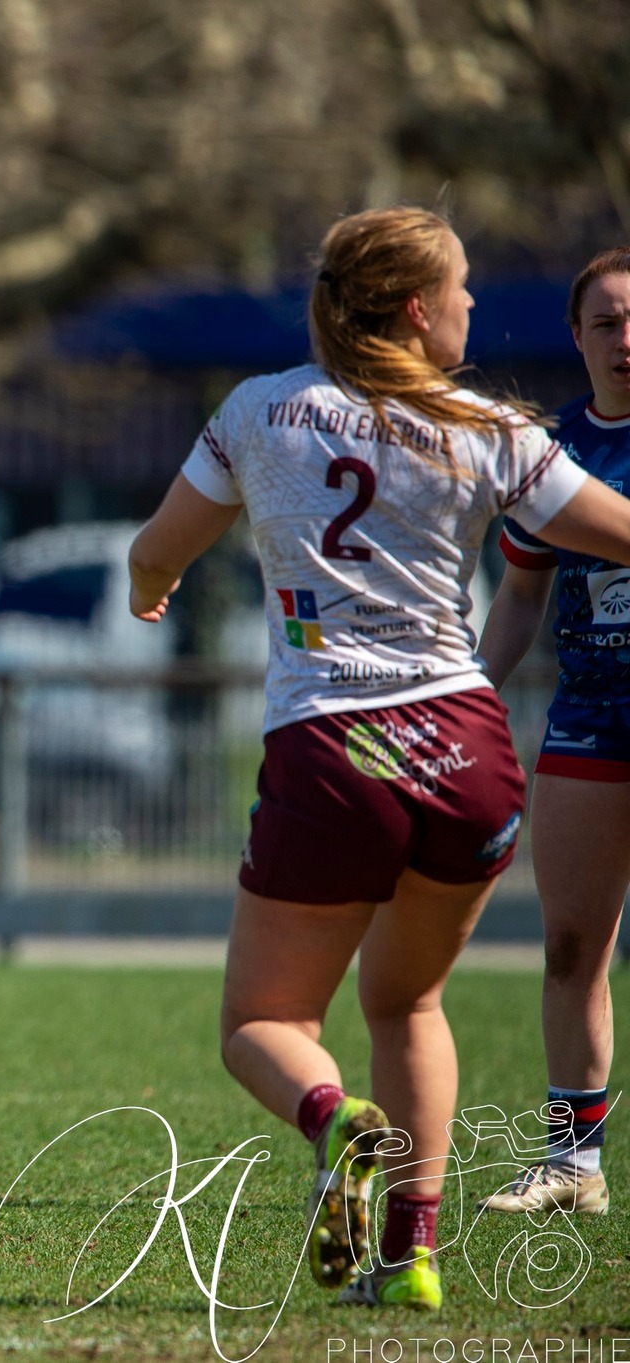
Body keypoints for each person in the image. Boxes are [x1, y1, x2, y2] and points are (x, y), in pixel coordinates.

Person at [127, 206, 630, 1311]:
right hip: (466, 748)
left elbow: (157, 545)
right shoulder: (483, 424)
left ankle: (333, 1121)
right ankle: (409, 1257)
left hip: (331, 751)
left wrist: (145, 585)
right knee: (407, 1004)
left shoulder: (258, 409)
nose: (468, 305)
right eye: (458, 290)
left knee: (262, 1025)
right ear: (413, 309)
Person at [474, 245, 630, 1216]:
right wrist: (461, 694)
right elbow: (517, 603)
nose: (624, 338)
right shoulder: (549, 457)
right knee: (571, 946)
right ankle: (573, 1163)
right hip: (586, 725)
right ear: (573, 336)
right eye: (605, 321)